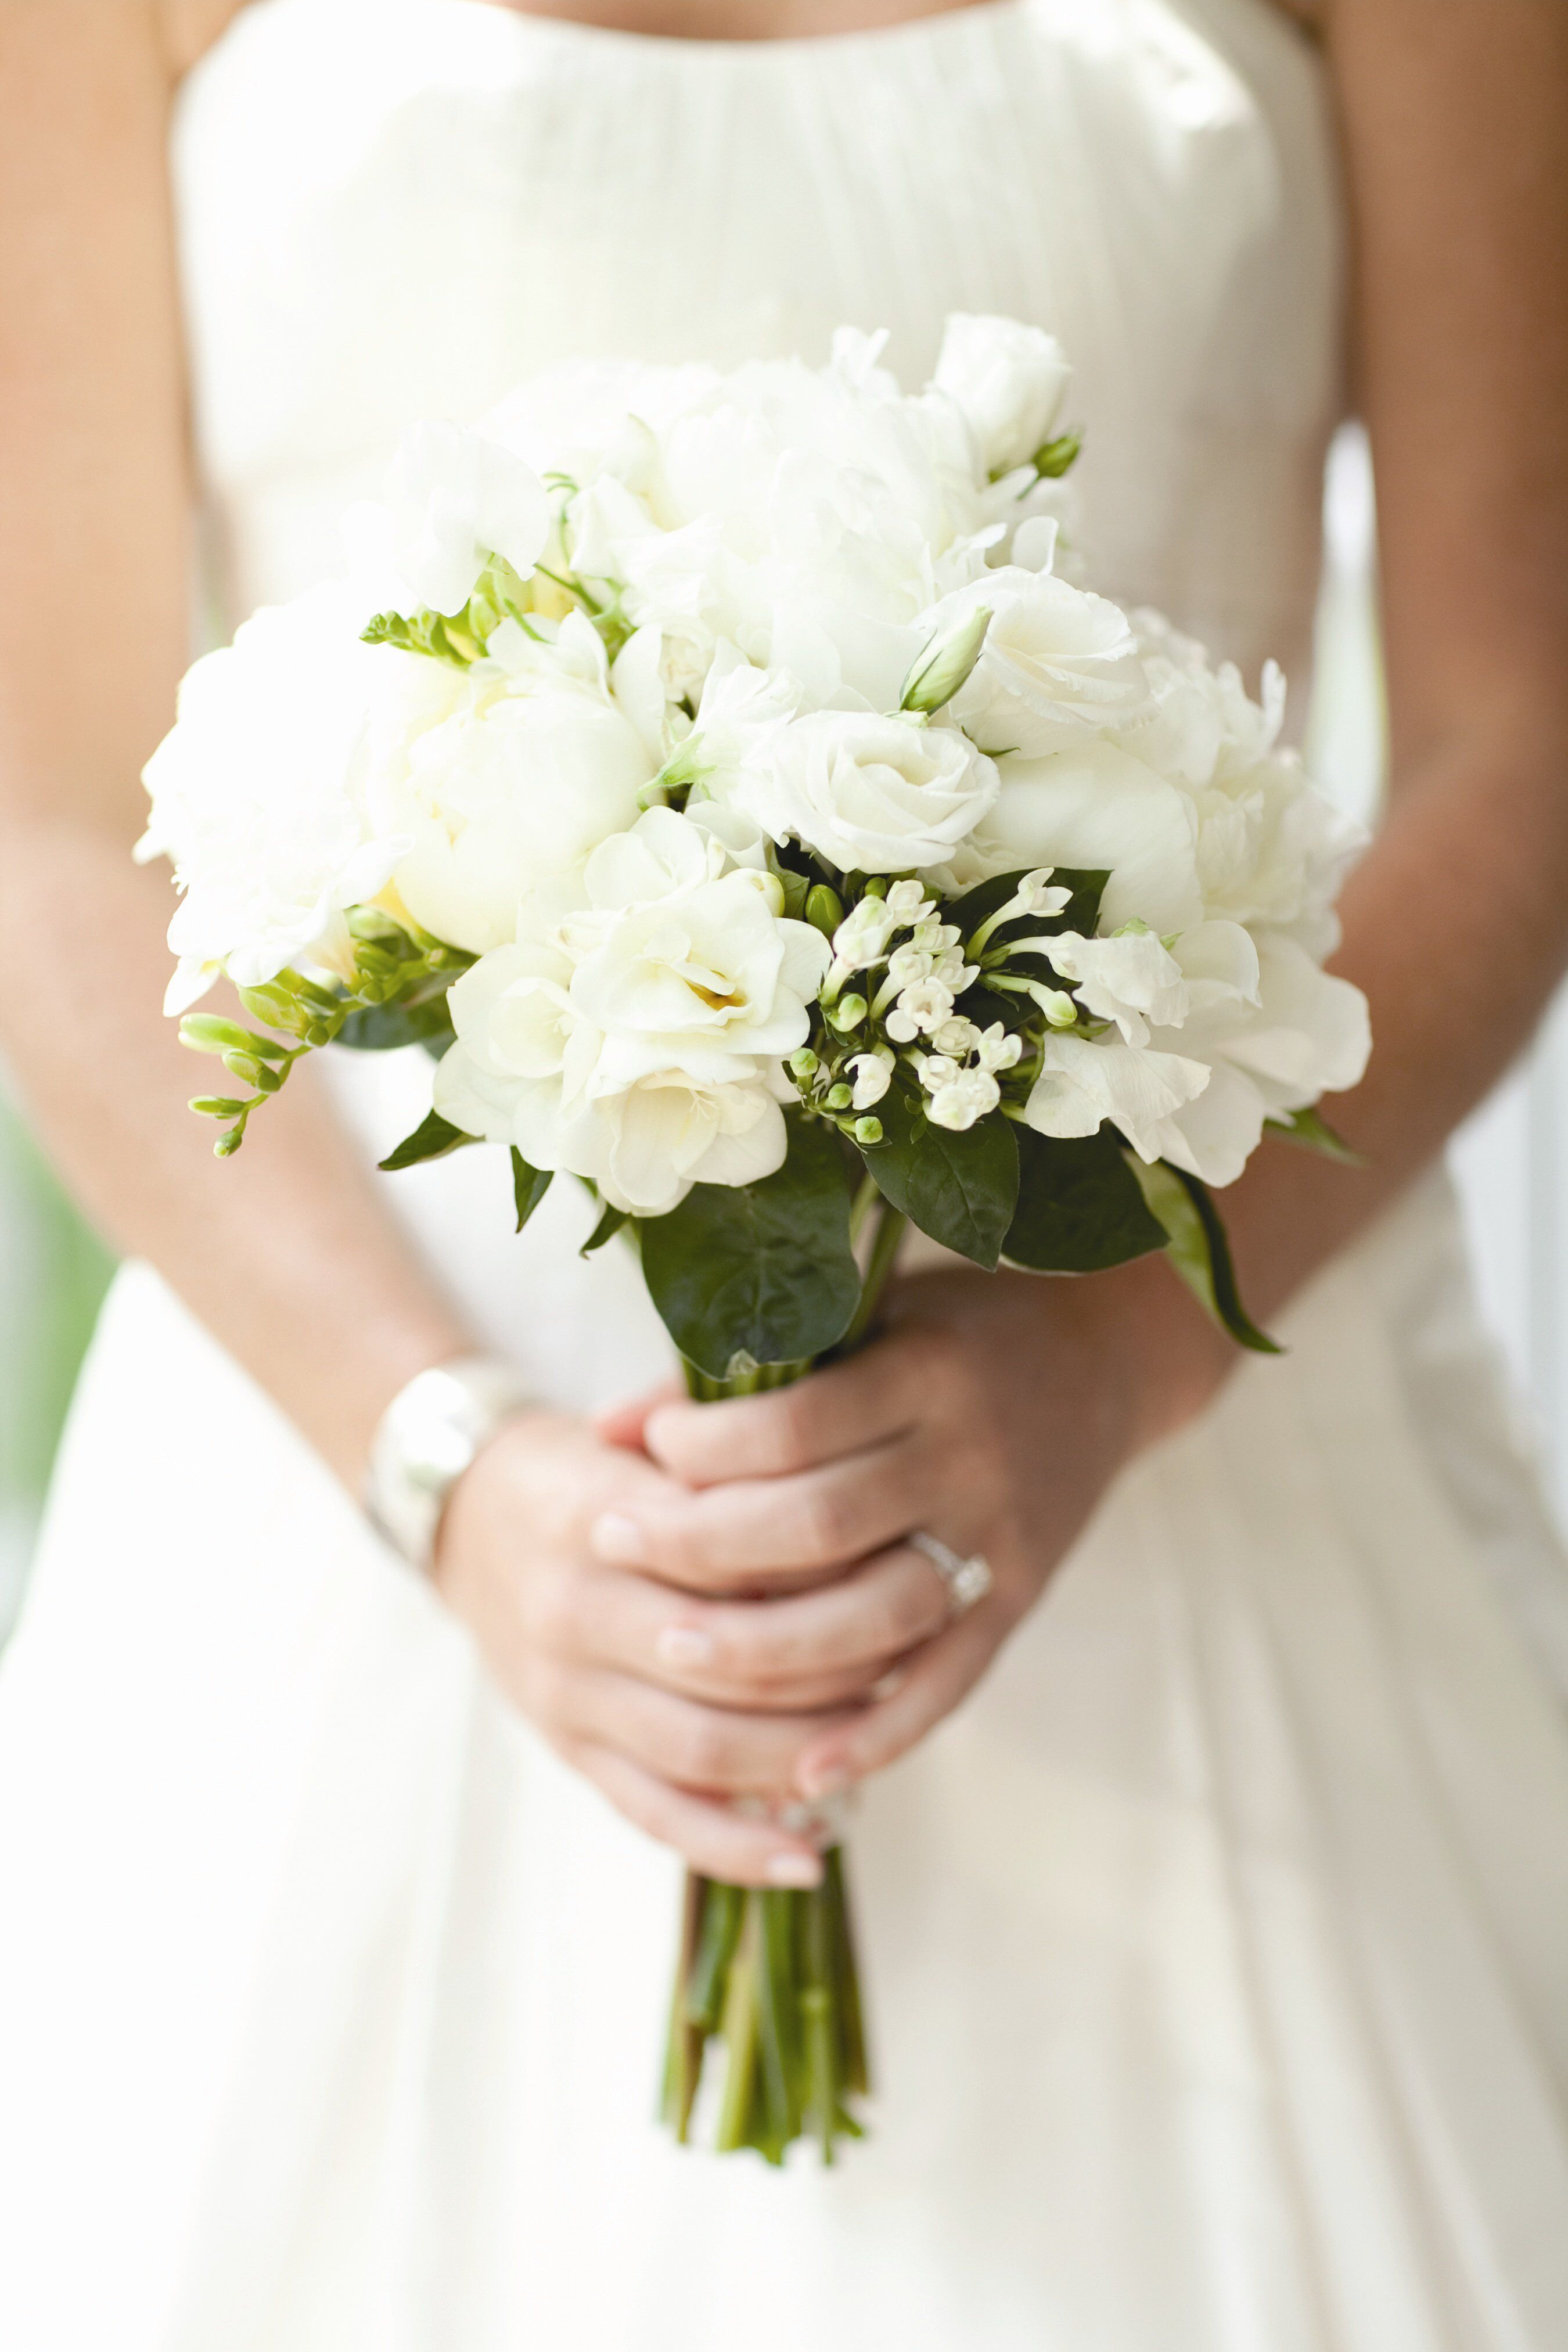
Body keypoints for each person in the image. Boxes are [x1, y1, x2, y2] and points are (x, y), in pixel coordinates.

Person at [1, 0, 1566, 2343]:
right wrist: (448, 1466)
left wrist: (1114, 1360)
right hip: (371, 1496)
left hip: (1206, 1457)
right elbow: (48, 807)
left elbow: (1518, 719)